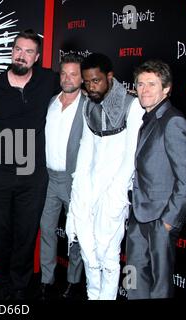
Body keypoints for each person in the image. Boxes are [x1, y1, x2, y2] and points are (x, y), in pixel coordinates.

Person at [0, 29, 60, 300]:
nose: (21, 55)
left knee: (26, 236)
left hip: (32, 176)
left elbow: (78, 85)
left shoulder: (49, 80)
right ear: (11, 51)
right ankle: (2, 281)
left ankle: (20, 286)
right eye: (18, 49)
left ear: (37, 57)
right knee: (0, 235)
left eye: (28, 51)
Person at [66, 53, 144, 300]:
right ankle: (92, 295)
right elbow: (86, 150)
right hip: (89, 187)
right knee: (88, 251)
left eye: (96, 81)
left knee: (108, 254)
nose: (90, 87)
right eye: (87, 82)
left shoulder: (132, 107)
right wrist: (80, 188)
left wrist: (115, 196)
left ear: (110, 77)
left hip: (115, 190)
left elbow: (130, 157)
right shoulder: (89, 105)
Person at [126, 60, 186, 299]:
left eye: (151, 84)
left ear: (166, 89)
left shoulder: (173, 121)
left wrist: (168, 222)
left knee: (159, 288)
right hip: (138, 216)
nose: (143, 89)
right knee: (133, 277)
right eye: (140, 84)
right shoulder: (147, 119)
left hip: (160, 221)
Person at [39, 53, 85, 300]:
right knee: (46, 229)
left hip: (74, 180)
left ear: (82, 77)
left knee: (75, 234)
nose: (68, 78)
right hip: (48, 178)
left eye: (73, 74)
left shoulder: (88, 106)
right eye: (64, 73)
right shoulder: (51, 103)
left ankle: (73, 280)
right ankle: (46, 279)